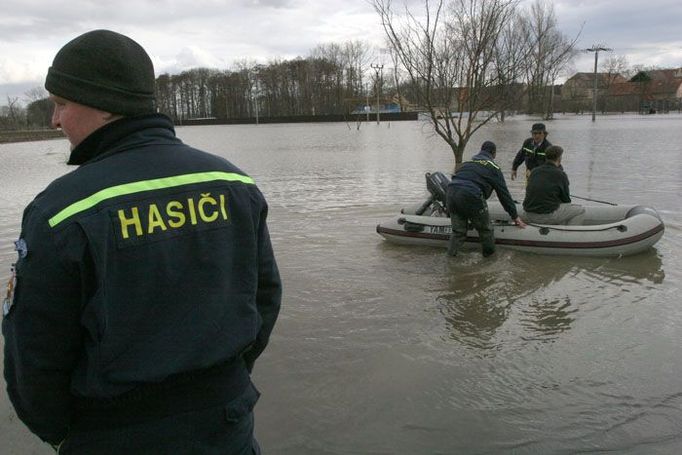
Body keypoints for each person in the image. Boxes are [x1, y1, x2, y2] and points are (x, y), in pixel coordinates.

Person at [2, 30, 281, 455]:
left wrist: (63, 434)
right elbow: (263, 301)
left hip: (114, 434)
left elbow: (35, 355)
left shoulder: (62, 210)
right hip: (227, 426)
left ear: (104, 106)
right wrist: (223, 384)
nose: (54, 121)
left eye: (61, 104)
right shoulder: (232, 183)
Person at [446, 141, 526, 257]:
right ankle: (489, 260)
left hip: (451, 193)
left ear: (480, 150)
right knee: (486, 231)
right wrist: (515, 216)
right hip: (471, 195)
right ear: (494, 154)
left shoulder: (467, 163)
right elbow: (504, 195)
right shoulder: (494, 168)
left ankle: (450, 258)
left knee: (458, 232)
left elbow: (457, 180)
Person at [522, 145, 585, 225]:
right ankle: (569, 235)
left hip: (527, 214)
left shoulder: (534, 171)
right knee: (580, 211)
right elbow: (566, 200)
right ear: (559, 158)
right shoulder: (561, 175)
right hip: (546, 216)